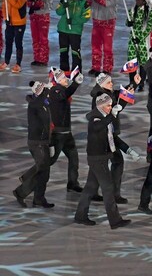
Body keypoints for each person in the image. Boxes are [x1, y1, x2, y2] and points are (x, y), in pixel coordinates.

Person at [74, 93, 131, 230]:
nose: (110, 108)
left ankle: (80, 215)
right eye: (108, 106)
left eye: (111, 105)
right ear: (100, 105)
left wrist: (128, 150)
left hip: (100, 158)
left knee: (90, 187)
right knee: (108, 188)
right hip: (98, 159)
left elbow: (111, 136)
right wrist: (112, 115)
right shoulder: (95, 118)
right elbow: (98, 127)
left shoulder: (105, 116)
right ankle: (115, 220)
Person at [90, 72, 143, 203]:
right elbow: (116, 108)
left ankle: (93, 192)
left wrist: (133, 84)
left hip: (108, 132)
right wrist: (121, 104)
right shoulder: (101, 96)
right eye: (109, 82)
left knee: (100, 166)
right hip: (106, 134)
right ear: (102, 84)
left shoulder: (106, 92)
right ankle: (113, 194)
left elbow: (120, 95)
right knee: (116, 161)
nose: (112, 83)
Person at [13, 81, 53, 208]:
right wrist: (47, 90)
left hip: (43, 142)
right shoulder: (35, 104)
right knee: (42, 171)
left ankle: (39, 198)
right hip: (37, 143)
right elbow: (41, 102)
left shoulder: (42, 103)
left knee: (44, 172)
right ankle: (20, 192)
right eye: (44, 91)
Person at [47, 67, 84, 192]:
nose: (65, 79)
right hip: (58, 134)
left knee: (74, 157)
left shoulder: (61, 89)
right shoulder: (55, 90)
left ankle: (73, 183)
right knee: (49, 161)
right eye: (62, 78)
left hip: (66, 133)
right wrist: (76, 83)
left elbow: (67, 93)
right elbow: (65, 94)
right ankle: (27, 181)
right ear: (57, 80)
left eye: (65, 77)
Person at [56, 0, 91, 73]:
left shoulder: (84, 1)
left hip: (75, 31)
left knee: (75, 52)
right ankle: (64, 71)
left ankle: (76, 72)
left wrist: (73, 21)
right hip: (63, 29)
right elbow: (58, 12)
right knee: (63, 51)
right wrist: (64, 6)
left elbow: (86, 16)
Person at [88, 0, 119, 76]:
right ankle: (95, 67)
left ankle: (107, 68)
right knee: (95, 47)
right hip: (96, 23)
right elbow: (90, 4)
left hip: (107, 24)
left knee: (107, 48)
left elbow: (106, 3)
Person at [126, 0, 152, 91]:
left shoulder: (149, 13)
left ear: (144, 1)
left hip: (142, 41)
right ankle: (132, 82)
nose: (137, 0)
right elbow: (127, 21)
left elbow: (149, 27)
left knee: (143, 62)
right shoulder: (133, 10)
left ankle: (141, 82)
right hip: (132, 40)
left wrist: (140, 38)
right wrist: (128, 23)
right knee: (132, 62)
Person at [0, 0, 28, 73]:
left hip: (19, 23)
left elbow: (17, 5)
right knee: (8, 42)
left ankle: (18, 64)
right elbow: (4, 6)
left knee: (18, 43)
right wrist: (5, 17)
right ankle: (6, 62)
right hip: (10, 23)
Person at [28, 0, 53, 67]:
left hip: (43, 16)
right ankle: (37, 58)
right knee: (35, 38)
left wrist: (37, 2)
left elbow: (48, 5)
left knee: (43, 39)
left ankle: (43, 59)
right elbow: (28, 3)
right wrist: (31, 1)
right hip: (34, 16)